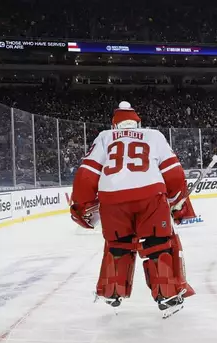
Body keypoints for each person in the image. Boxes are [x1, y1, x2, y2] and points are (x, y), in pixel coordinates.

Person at [69, 101, 197, 317]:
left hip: (112, 198)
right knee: (158, 244)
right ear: (137, 121)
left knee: (118, 244)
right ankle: (167, 294)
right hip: (150, 195)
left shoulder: (104, 136)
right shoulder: (153, 135)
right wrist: (178, 201)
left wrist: (82, 205)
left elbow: (87, 173)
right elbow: (173, 171)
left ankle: (112, 291)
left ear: (115, 124)